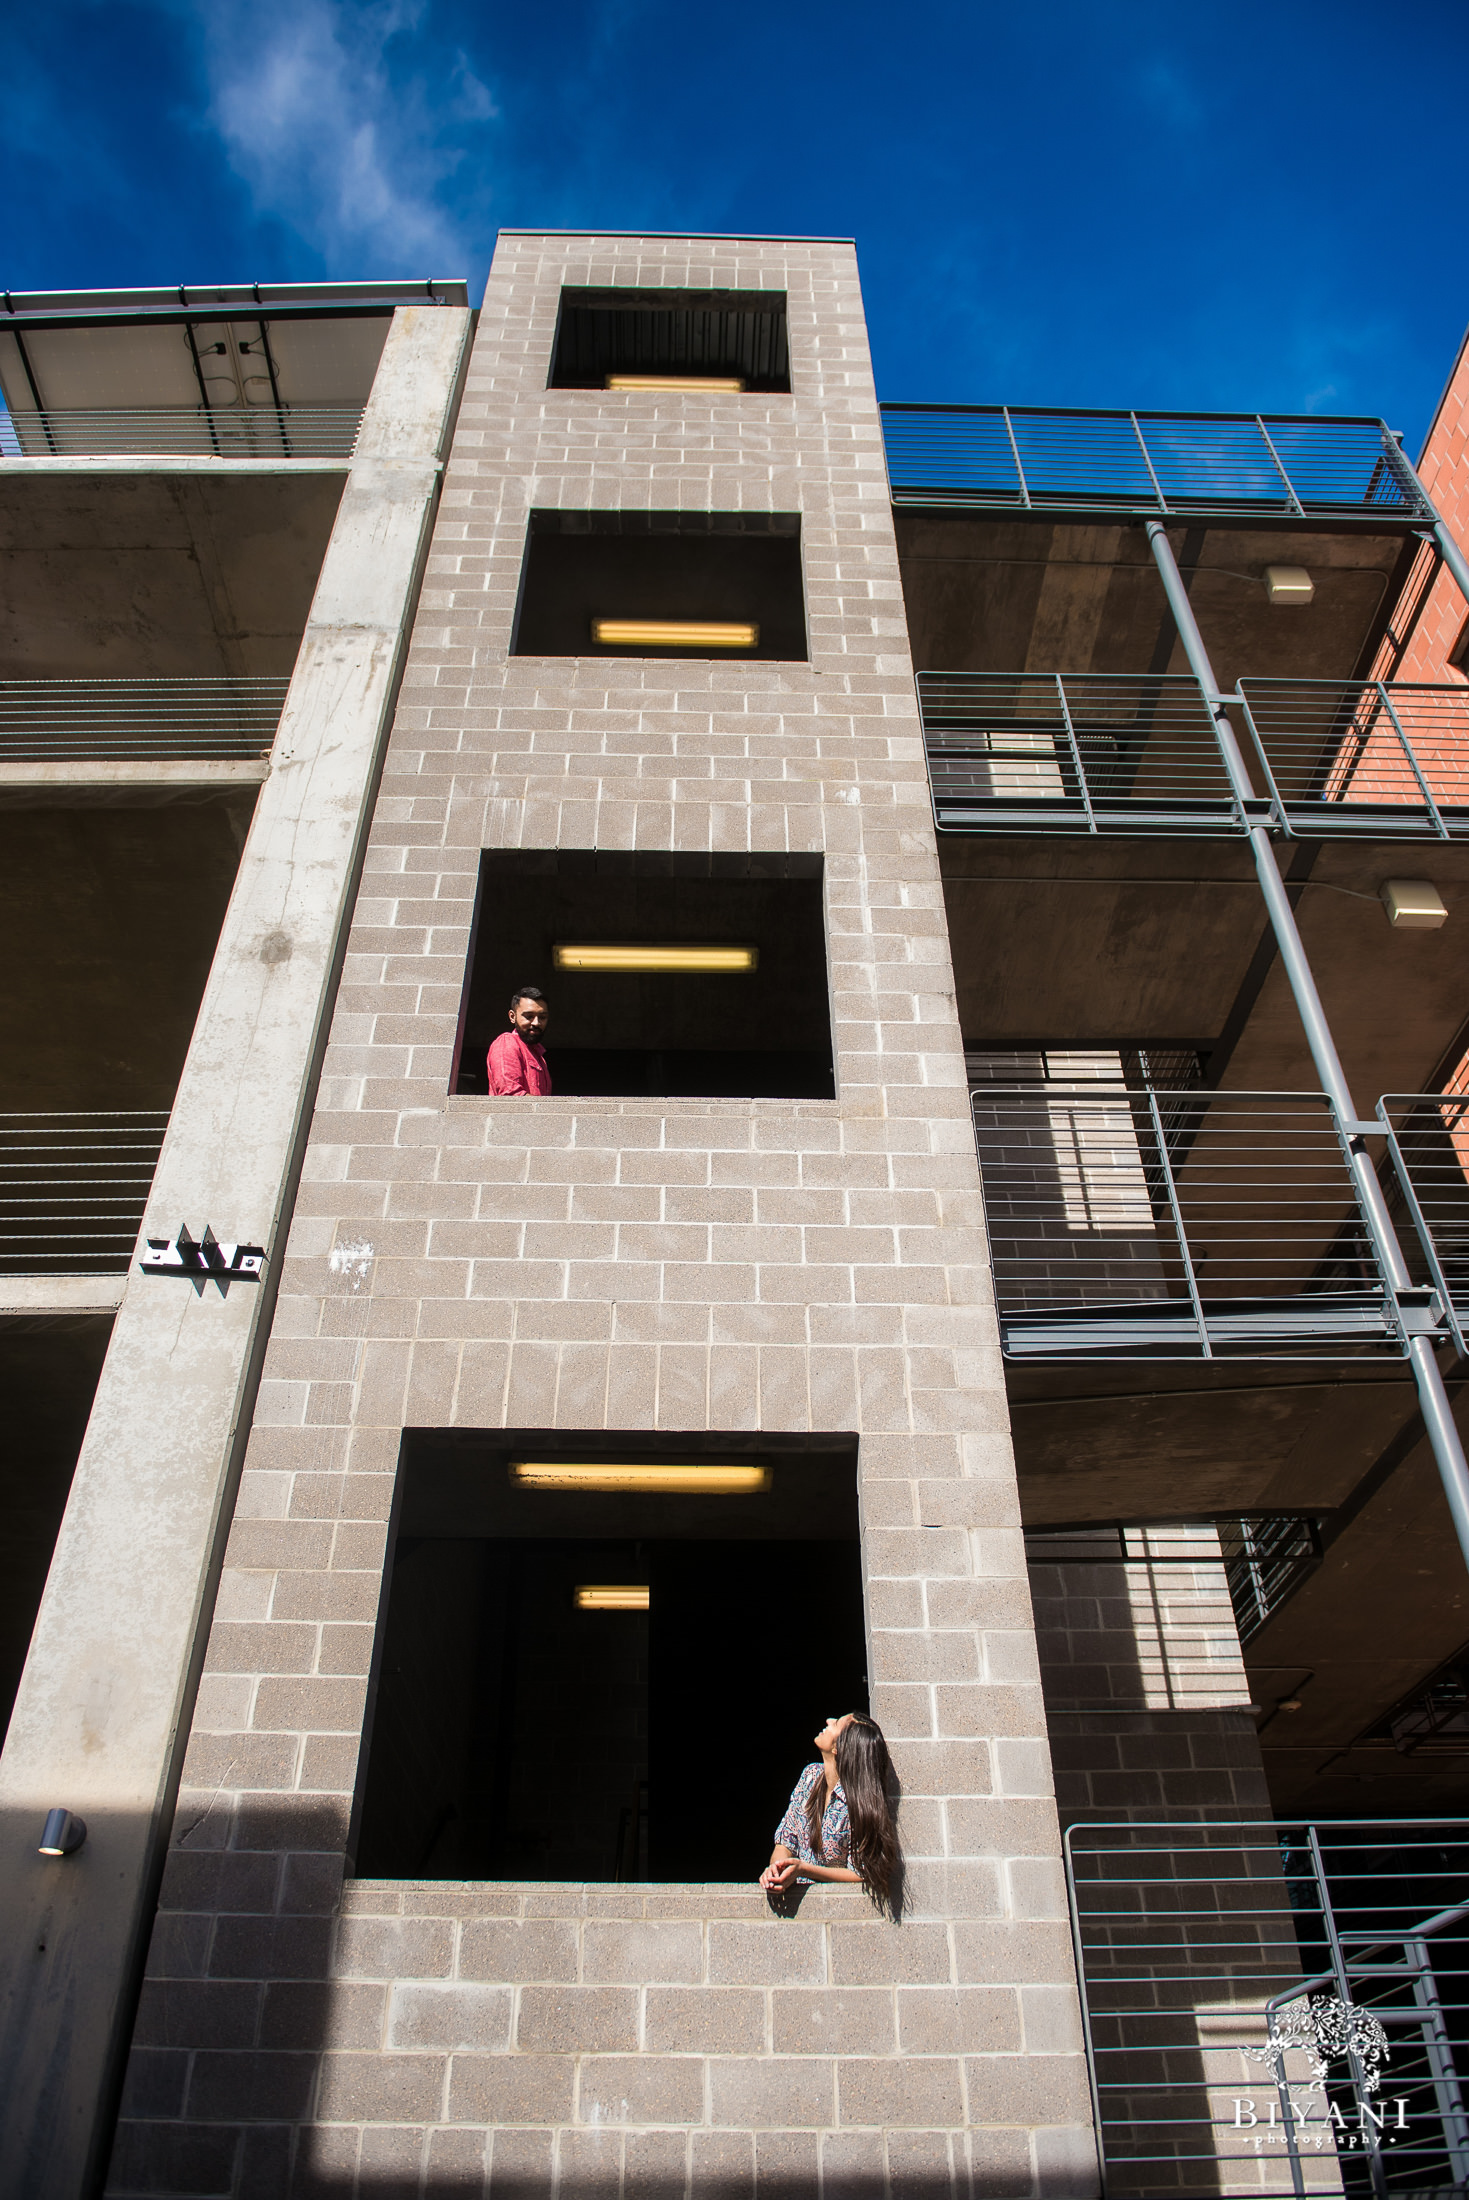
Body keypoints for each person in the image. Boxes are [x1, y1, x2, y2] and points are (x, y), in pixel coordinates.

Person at [760, 1711, 898, 1913]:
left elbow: (862, 1872)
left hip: (835, 1911)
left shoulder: (858, 1804)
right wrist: (777, 1870)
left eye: (837, 1724)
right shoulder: (810, 1776)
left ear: (838, 1748)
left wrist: (804, 1869)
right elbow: (786, 1839)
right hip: (793, 1907)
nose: (828, 1720)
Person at [487, 987, 552, 1095]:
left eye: (542, 1017)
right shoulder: (507, 1043)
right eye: (529, 1016)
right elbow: (510, 1095)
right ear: (512, 1016)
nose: (536, 1023)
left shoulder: (539, 1056)